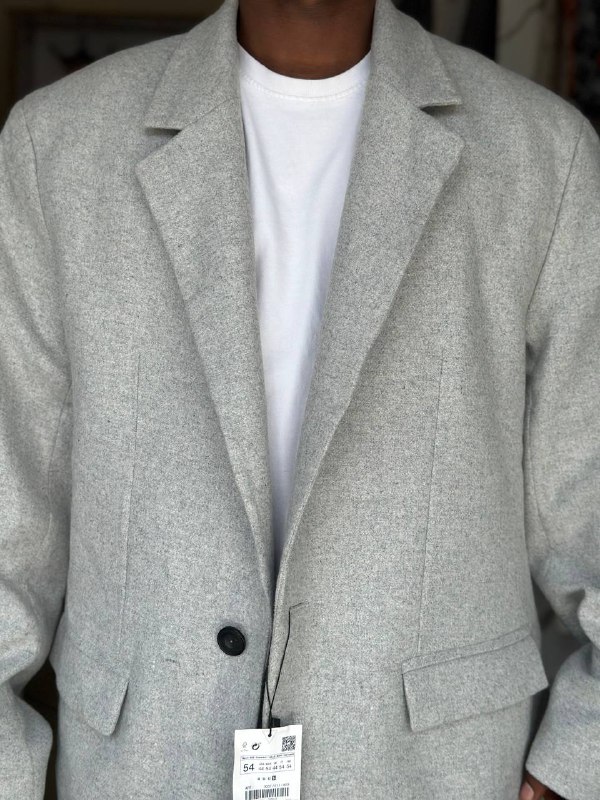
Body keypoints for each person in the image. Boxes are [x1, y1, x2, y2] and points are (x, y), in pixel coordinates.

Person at [0, 0, 598, 797]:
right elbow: (10, 508)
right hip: (147, 764)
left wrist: (578, 765)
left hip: (431, 773)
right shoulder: (59, 145)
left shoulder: (542, 156)